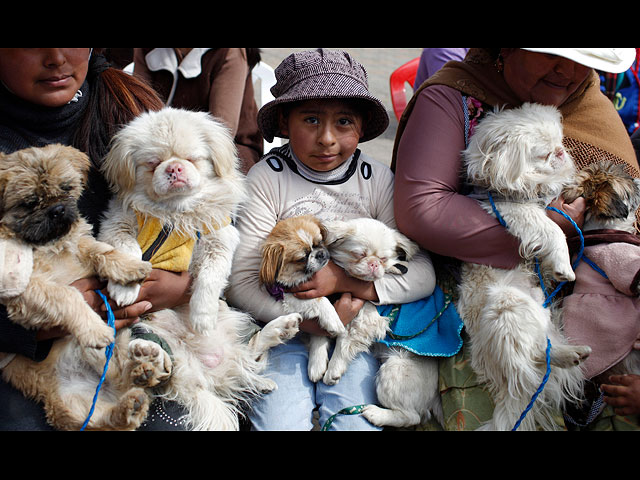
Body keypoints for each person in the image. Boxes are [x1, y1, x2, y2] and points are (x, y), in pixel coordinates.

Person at [392, 48, 640, 431]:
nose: (568, 69)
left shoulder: (591, 105)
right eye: (549, 53)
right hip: (480, 298)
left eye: (582, 59)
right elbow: (423, 209)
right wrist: (543, 231)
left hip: (602, 305)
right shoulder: (452, 98)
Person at [225, 49, 437, 430]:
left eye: (343, 122)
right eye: (310, 120)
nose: (326, 139)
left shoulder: (375, 179)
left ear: (361, 128)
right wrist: (309, 323)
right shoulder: (266, 179)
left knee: (352, 422)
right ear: (285, 123)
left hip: (355, 337)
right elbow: (240, 283)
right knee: (279, 423)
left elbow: (422, 273)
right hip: (283, 331)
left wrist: (345, 282)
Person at [0, 48, 193, 430]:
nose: (56, 57)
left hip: (142, 328)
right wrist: (35, 325)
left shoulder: (132, 109)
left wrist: (184, 284)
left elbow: (211, 213)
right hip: (27, 354)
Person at [132, 48, 263, 174]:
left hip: (227, 147)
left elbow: (222, 130)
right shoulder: (146, 50)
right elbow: (137, 112)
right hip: (160, 144)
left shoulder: (230, 52)